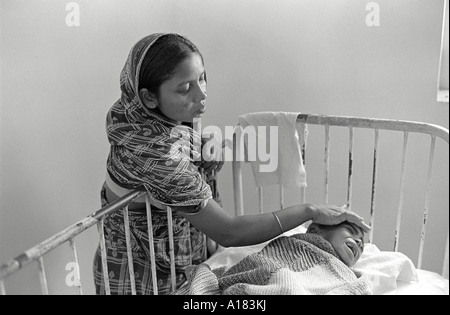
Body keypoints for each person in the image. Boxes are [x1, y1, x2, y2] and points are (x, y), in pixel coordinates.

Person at [92, 32, 371, 295]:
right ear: (148, 97)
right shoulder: (155, 154)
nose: (201, 95)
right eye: (185, 88)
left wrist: (205, 144)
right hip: (141, 276)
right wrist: (310, 210)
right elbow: (230, 231)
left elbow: (179, 164)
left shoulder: (135, 114)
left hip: (176, 255)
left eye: (202, 78)